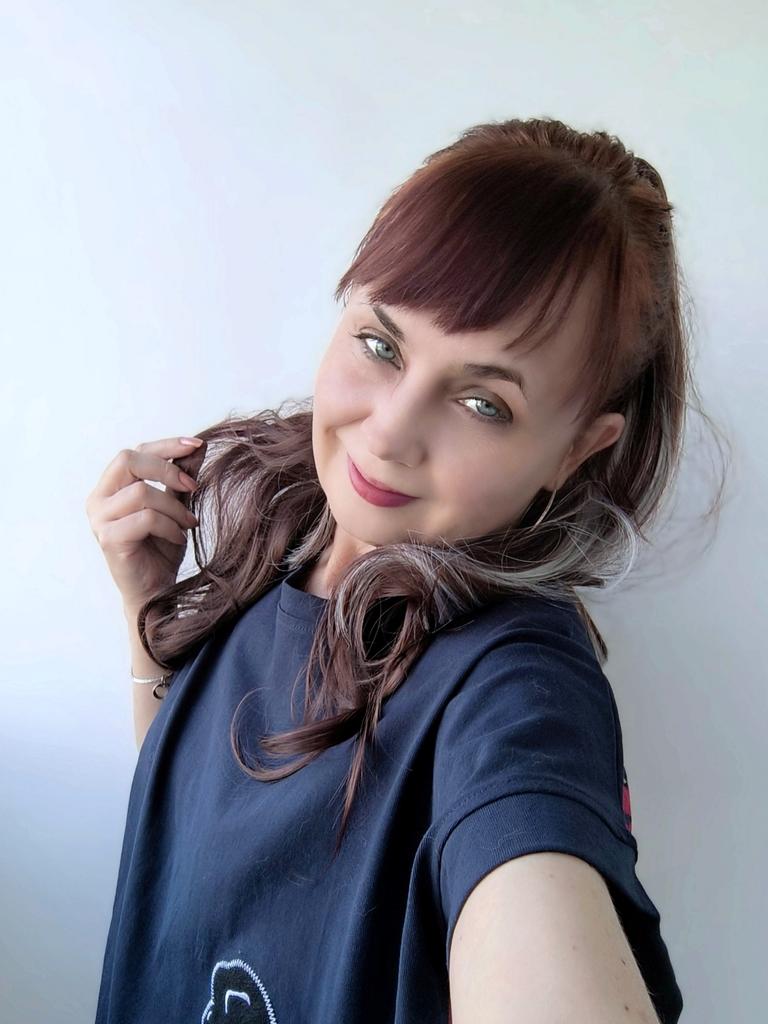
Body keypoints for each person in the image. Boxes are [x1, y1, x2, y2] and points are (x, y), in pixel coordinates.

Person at [85, 116, 720, 1023]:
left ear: (578, 449)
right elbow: (193, 823)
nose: (388, 432)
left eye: (483, 402)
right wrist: (147, 612)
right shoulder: (278, 538)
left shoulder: (511, 684)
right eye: (381, 345)